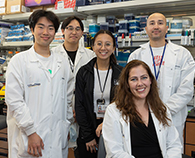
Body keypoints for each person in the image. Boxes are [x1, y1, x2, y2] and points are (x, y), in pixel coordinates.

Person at [5, 10, 74, 158]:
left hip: (57, 136)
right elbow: (14, 101)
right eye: (40, 27)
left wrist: (66, 125)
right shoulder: (19, 61)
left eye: (50, 28)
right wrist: (30, 131)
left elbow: (68, 98)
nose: (45, 32)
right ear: (32, 29)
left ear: (55, 32)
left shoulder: (62, 62)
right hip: (28, 136)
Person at [128, 12, 195, 143]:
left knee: (172, 151)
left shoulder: (182, 54)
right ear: (146, 29)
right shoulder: (136, 55)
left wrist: (164, 110)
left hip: (172, 117)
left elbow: (186, 90)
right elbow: (130, 88)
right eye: (152, 23)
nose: (156, 26)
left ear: (167, 27)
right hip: (143, 116)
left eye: (160, 23)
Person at [102, 60, 182, 158]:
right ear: (127, 83)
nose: (140, 83)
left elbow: (173, 145)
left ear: (150, 80)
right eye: (134, 79)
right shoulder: (114, 111)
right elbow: (115, 152)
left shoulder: (161, 109)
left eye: (144, 78)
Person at [51, 15, 95, 157]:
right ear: (62, 31)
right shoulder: (53, 55)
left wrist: (79, 110)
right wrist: (69, 110)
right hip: (60, 108)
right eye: (70, 28)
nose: (74, 32)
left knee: (82, 148)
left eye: (78, 29)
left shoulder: (90, 55)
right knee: (62, 146)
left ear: (82, 33)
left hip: (84, 109)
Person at [75, 30, 123, 158]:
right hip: (89, 127)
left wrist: (107, 122)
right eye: (99, 44)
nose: (103, 48)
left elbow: (124, 103)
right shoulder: (84, 72)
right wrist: (88, 136)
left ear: (113, 48)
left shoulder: (121, 73)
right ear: (93, 47)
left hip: (114, 127)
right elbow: (79, 105)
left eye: (107, 44)